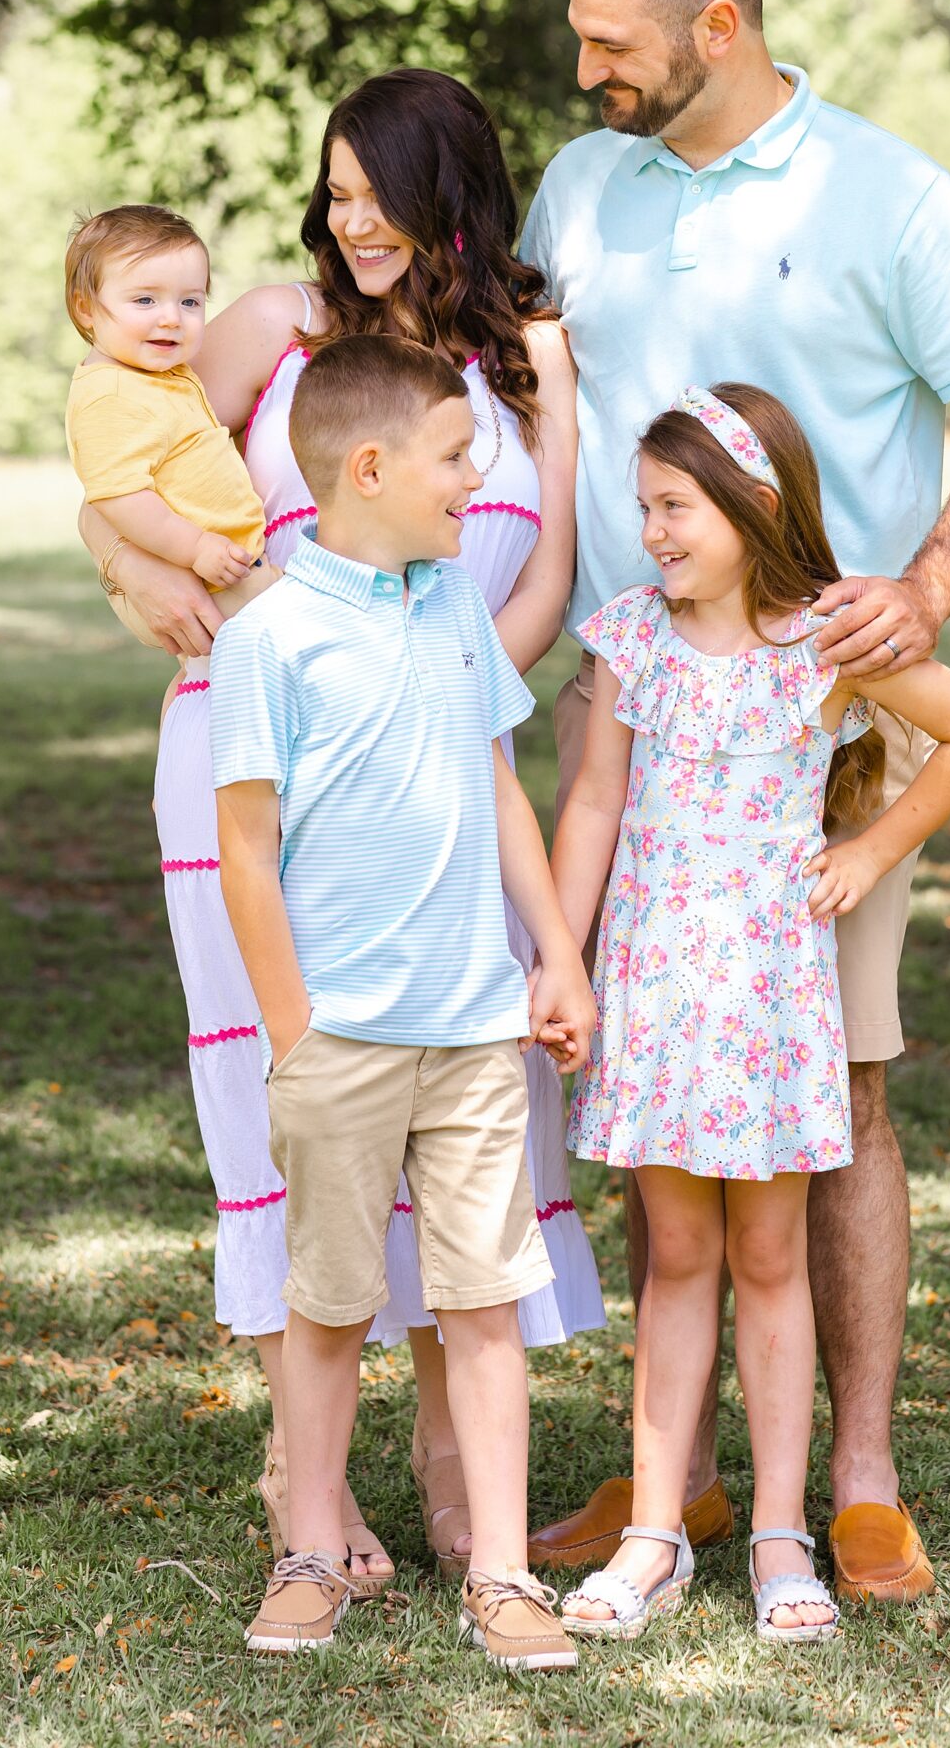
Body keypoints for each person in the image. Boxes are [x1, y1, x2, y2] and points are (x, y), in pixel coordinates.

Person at [522, 0, 950, 1605]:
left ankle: (854, 1484)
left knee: (838, 1087)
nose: (587, 72)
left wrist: (929, 586)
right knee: (655, 1099)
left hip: (820, 732)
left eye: (612, 45)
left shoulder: (885, 195)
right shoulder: (580, 183)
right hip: (631, 718)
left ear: (718, 27)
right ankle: (665, 1482)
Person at [77, 71, 601, 1591]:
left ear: (451, 192)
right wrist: (136, 586)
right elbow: (111, 482)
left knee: (462, 1090)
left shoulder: (532, 360)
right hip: (246, 763)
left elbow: (547, 576)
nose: (347, 221)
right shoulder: (264, 335)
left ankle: (451, 1458)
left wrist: (443, 717)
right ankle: (300, 1473)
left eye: (372, 193)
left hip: (445, 771)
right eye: (332, 194)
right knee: (280, 1083)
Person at [551, 383, 950, 1644]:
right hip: (655, 992)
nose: (651, 530)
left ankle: (777, 1535)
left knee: (770, 1262)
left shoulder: (825, 643)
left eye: (675, 506)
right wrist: (566, 954)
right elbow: (594, 805)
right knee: (677, 1259)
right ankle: (654, 1532)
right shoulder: (632, 637)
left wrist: (868, 854)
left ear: (755, 505)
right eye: (642, 505)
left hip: (765, 1004)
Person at [212, 337, 596, 1665]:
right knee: (326, 1304)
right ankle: (310, 1552)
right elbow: (243, 853)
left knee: (482, 1305)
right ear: (367, 469)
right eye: (452, 455)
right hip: (341, 1043)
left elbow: (498, 785)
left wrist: (552, 950)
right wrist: (292, 1034)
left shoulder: (450, 616)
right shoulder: (268, 638)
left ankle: (501, 1575)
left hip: (477, 1032)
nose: (471, 476)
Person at [63, 205, 273, 617]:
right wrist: (195, 548)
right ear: (86, 308)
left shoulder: (159, 375)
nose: (172, 318)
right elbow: (120, 497)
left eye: (190, 301)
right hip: (205, 578)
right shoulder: (110, 394)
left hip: (225, 565)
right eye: (145, 300)